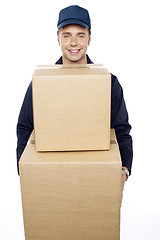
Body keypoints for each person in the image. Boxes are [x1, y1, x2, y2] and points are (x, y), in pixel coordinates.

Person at [16, 5, 133, 203]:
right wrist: (25, 171)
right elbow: (24, 127)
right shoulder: (42, 83)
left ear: (89, 38)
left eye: (80, 35)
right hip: (51, 176)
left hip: (97, 176)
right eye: (67, 35)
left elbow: (122, 130)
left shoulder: (108, 82)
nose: (73, 43)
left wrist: (124, 170)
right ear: (58, 38)